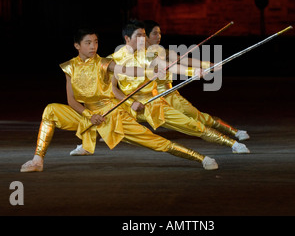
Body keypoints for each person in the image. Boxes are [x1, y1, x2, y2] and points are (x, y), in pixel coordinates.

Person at [20, 28, 219, 172]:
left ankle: (201, 158)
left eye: (96, 42)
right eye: (88, 42)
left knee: (156, 142)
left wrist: (153, 71)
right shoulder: (69, 67)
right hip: (87, 115)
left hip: (112, 116)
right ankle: (38, 160)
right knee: (50, 110)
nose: (93, 46)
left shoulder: (105, 63)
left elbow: (127, 70)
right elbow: (72, 102)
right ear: (77, 45)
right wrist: (90, 116)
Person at [109, 20, 250, 154]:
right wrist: (129, 102)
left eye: (145, 35)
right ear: (127, 38)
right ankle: (97, 140)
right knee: (108, 115)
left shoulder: (153, 54)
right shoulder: (114, 58)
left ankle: (233, 138)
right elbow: (110, 88)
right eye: (151, 34)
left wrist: (199, 68)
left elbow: (174, 65)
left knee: (195, 121)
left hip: (162, 99)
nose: (153, 37)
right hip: (132, 104)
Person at [143, 20, 250, 141]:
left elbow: (181, 60)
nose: (159, 36)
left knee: (198, 118)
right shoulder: (141, 56)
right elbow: (169, 66)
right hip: (151, 99)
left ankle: (233, 132)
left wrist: (207, 64)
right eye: (155, 34)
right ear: (145, 37)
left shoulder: (160, 52)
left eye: (160, 33)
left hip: (169, 96)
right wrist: (193, 72)